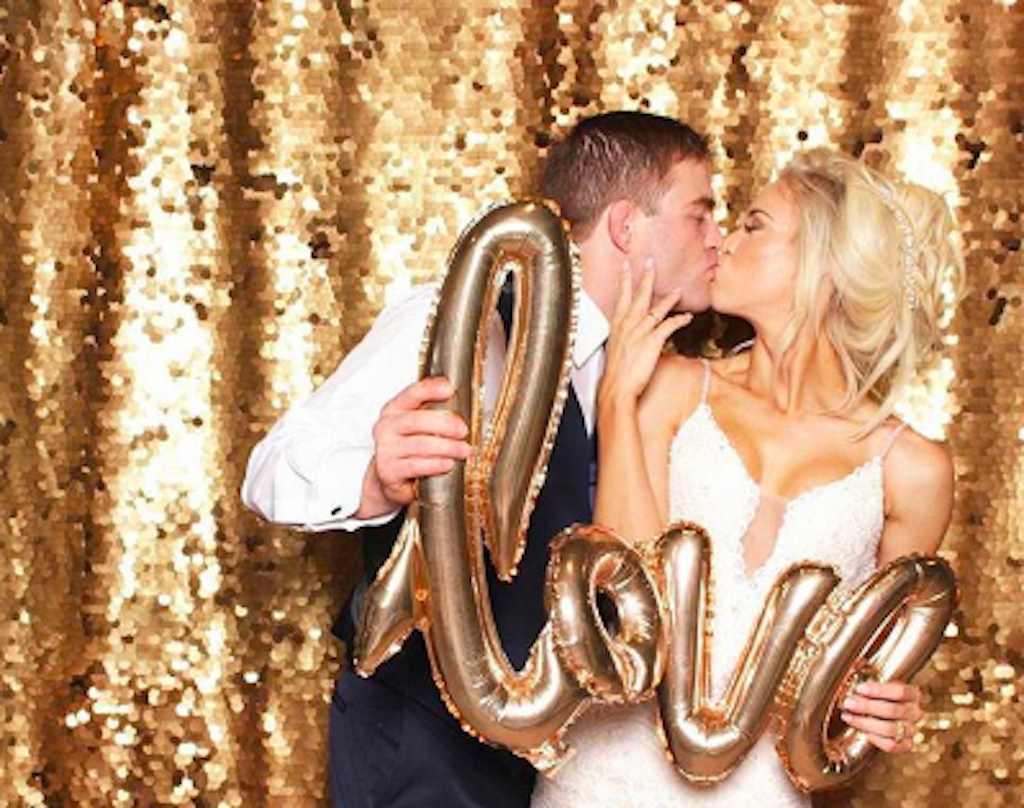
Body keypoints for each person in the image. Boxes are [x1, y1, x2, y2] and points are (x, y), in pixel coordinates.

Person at [242, 114, 923, 807]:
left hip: (563, 757)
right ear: (629, 228)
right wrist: (370, 479)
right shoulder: (466, 325)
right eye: (702, 215)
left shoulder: (670, 376)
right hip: (430, 742)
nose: (717, 240)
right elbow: (272, 467)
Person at [531, 149, 963, 808]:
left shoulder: (913, 470)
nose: (722, 241)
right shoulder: (671, 388)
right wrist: (618, 401)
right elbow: (626, 603)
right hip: (603, 781)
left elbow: (859, 684)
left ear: (823, 266)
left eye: (753, 225)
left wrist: (885, 705)